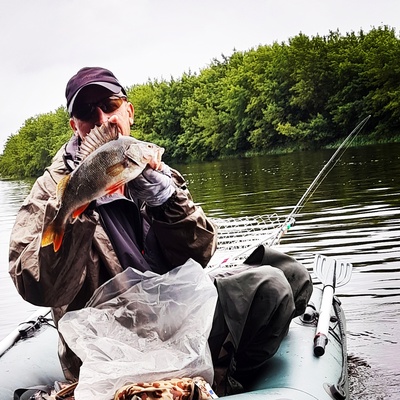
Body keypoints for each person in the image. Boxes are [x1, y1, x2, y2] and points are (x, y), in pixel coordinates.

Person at [9, 67, 312, 395]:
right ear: (75, 126)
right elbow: (37, 287)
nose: (102, 118)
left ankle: (219, 376)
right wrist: (79, 211)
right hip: (112, 342)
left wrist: (167, 201)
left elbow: (200, 254)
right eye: (86, 112)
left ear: (129, 111)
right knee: (270, 285)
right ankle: (216, 382)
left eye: (110, 104)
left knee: (288, 274)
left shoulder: (149, 168)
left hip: (175, 317)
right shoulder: (52, 189)